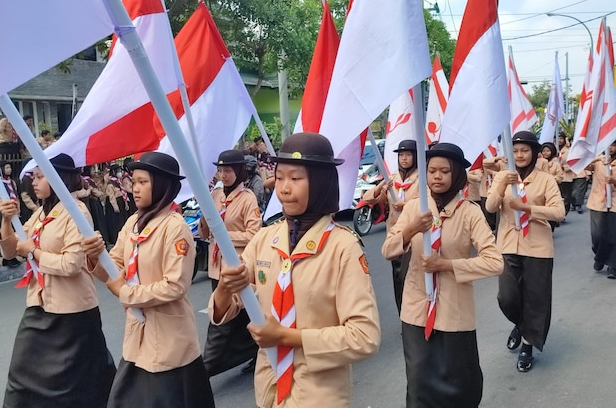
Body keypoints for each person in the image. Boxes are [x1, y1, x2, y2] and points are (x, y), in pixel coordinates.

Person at [210, 132, 380, 407]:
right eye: (279, 178)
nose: (284, 188)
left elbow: (364, 336)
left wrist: (286, 337)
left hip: (319, 394)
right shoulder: (265, 238)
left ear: (321, 183)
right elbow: (229, 307)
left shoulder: (342, 247)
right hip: (269, 389)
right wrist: (224, 288)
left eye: (295, 179)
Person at [82, 152, 215, 408]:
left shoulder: (175, 227)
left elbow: (175, 285)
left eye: (143, 182)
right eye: (134, 181)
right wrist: (94, 259)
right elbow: (116, 266)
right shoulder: (133, 222)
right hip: (138, 334)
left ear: (163, 185)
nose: (135, 188)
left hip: (169, 337)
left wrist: (126, 293)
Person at [382, 143, 502, 407]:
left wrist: (446, 265)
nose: (437, 176)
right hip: (416, 309)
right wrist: (411, 228)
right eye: (432, 170)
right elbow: (388, 250)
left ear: (457, 174)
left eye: (444, 171)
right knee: (418, 383)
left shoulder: (470, 212)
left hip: (454, 312)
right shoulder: (415, 208)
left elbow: (495, 263)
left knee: (460, 385)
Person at [0, 153, 115, 407]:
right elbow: (10, 251)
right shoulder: (40, 214)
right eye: (34, 177)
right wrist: (7, 221)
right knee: (21, 376)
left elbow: (71, 264)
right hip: (39, 307)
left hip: (73, 313)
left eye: (40, 177)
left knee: (81, 383)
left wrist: (33, 251)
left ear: (58, 178)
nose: (34, 183)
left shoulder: (77, 212)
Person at [486, 131, 565, 373]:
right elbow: (490, 207)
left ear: (533, 153)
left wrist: (527, 208)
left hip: (538, 247)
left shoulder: (546, 179)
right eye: (516, 150)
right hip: (508, 245)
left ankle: (527, 348)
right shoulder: (502, 176)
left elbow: (558, 212)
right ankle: (520, 325)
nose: (519, 155)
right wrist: (500, 184)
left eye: (524, 150)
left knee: (535, 300)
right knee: (507, 297)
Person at [199, 149, 262, 377]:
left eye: (227, 170)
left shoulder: (247, 199)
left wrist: (223, 234)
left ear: (238, 170)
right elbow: (205, 234)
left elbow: (254, 234)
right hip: (217, 268)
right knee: (223, 316)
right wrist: (205, 220)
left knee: (238, 318)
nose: (223, 175)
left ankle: (207, 367)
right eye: (220, 170)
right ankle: (252, 353)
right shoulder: (214, 196)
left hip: (237, 268)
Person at [363, 139, 419, 312]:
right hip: (395, 236)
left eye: (408, 155)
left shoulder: (422, 179)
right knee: (398, 278)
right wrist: (381, 187)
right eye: (401, 155)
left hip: (416, 235)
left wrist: (406, 205)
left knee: (414, 277)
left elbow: (428, 204)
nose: (404, 159)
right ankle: (404, 313)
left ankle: (417, 313)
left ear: (415, 157)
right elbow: (369, 199)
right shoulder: (392, 180)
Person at [585, 140, 616, 278]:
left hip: (614, 203)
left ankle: (613, 265)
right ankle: (599, 257)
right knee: (597, 235)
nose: (611, 148)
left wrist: (614, 181)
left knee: (612, 236)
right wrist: (598, 157)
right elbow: (583, 166)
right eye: (608, 144)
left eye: (614, 145)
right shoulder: (599, 161)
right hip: (598, 202)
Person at [0, 160, 21, 267]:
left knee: (14, 232)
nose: (9, 170)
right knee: (5, 233)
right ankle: (7, 258)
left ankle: (13, 255)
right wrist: (6, 209)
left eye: (9, 167)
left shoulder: (12, 182)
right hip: (4, 211)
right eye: (6, 168)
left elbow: (16, 195)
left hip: (14, 209)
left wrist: (17, 209)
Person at [557, 132, 574, 213]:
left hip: (566, 176)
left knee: (566, 196)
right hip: (555, 176)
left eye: (561, 138)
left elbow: (572, 162)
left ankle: (564, 211)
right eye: (558, 138)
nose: (559, 140)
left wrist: (565, 167)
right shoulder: (553, 150)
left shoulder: (568, 150)